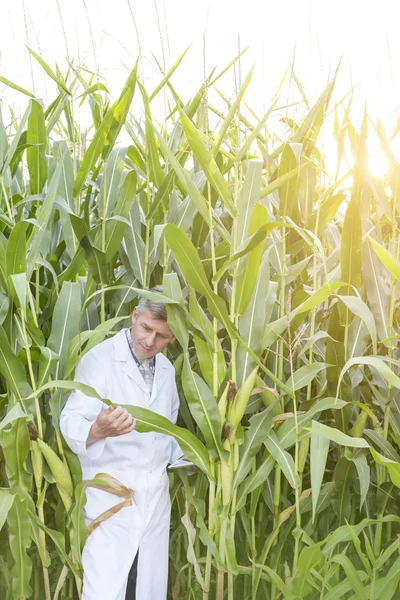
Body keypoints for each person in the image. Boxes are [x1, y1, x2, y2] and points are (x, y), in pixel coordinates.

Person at [60, 287, 183, 600]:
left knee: (145, 589)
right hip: (111, 504)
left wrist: (192, 457)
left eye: (163, 336)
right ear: (134, 315)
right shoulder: (100, 361)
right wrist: (97, 429)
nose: (151, 342)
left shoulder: (167, 372)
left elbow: (166, 434)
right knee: (106, 590)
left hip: (154, 502)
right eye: (146, 329)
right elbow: (70, 421)